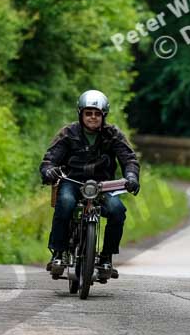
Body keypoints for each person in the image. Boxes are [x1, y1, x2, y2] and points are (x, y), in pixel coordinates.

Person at [39, 89, 140, 277]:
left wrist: (132, 177)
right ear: (80, 114)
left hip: (102, 185)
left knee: (118, 211)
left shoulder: (114, 134)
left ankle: (106, 258)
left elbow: (129, 160)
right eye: (88, 113)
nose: (92, 117)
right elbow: (49, 159)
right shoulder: (68, 133)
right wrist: (48, 171)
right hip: (72, 181)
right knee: (66, 203)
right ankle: (58, 254)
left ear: (104, 116)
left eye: (97, 114)